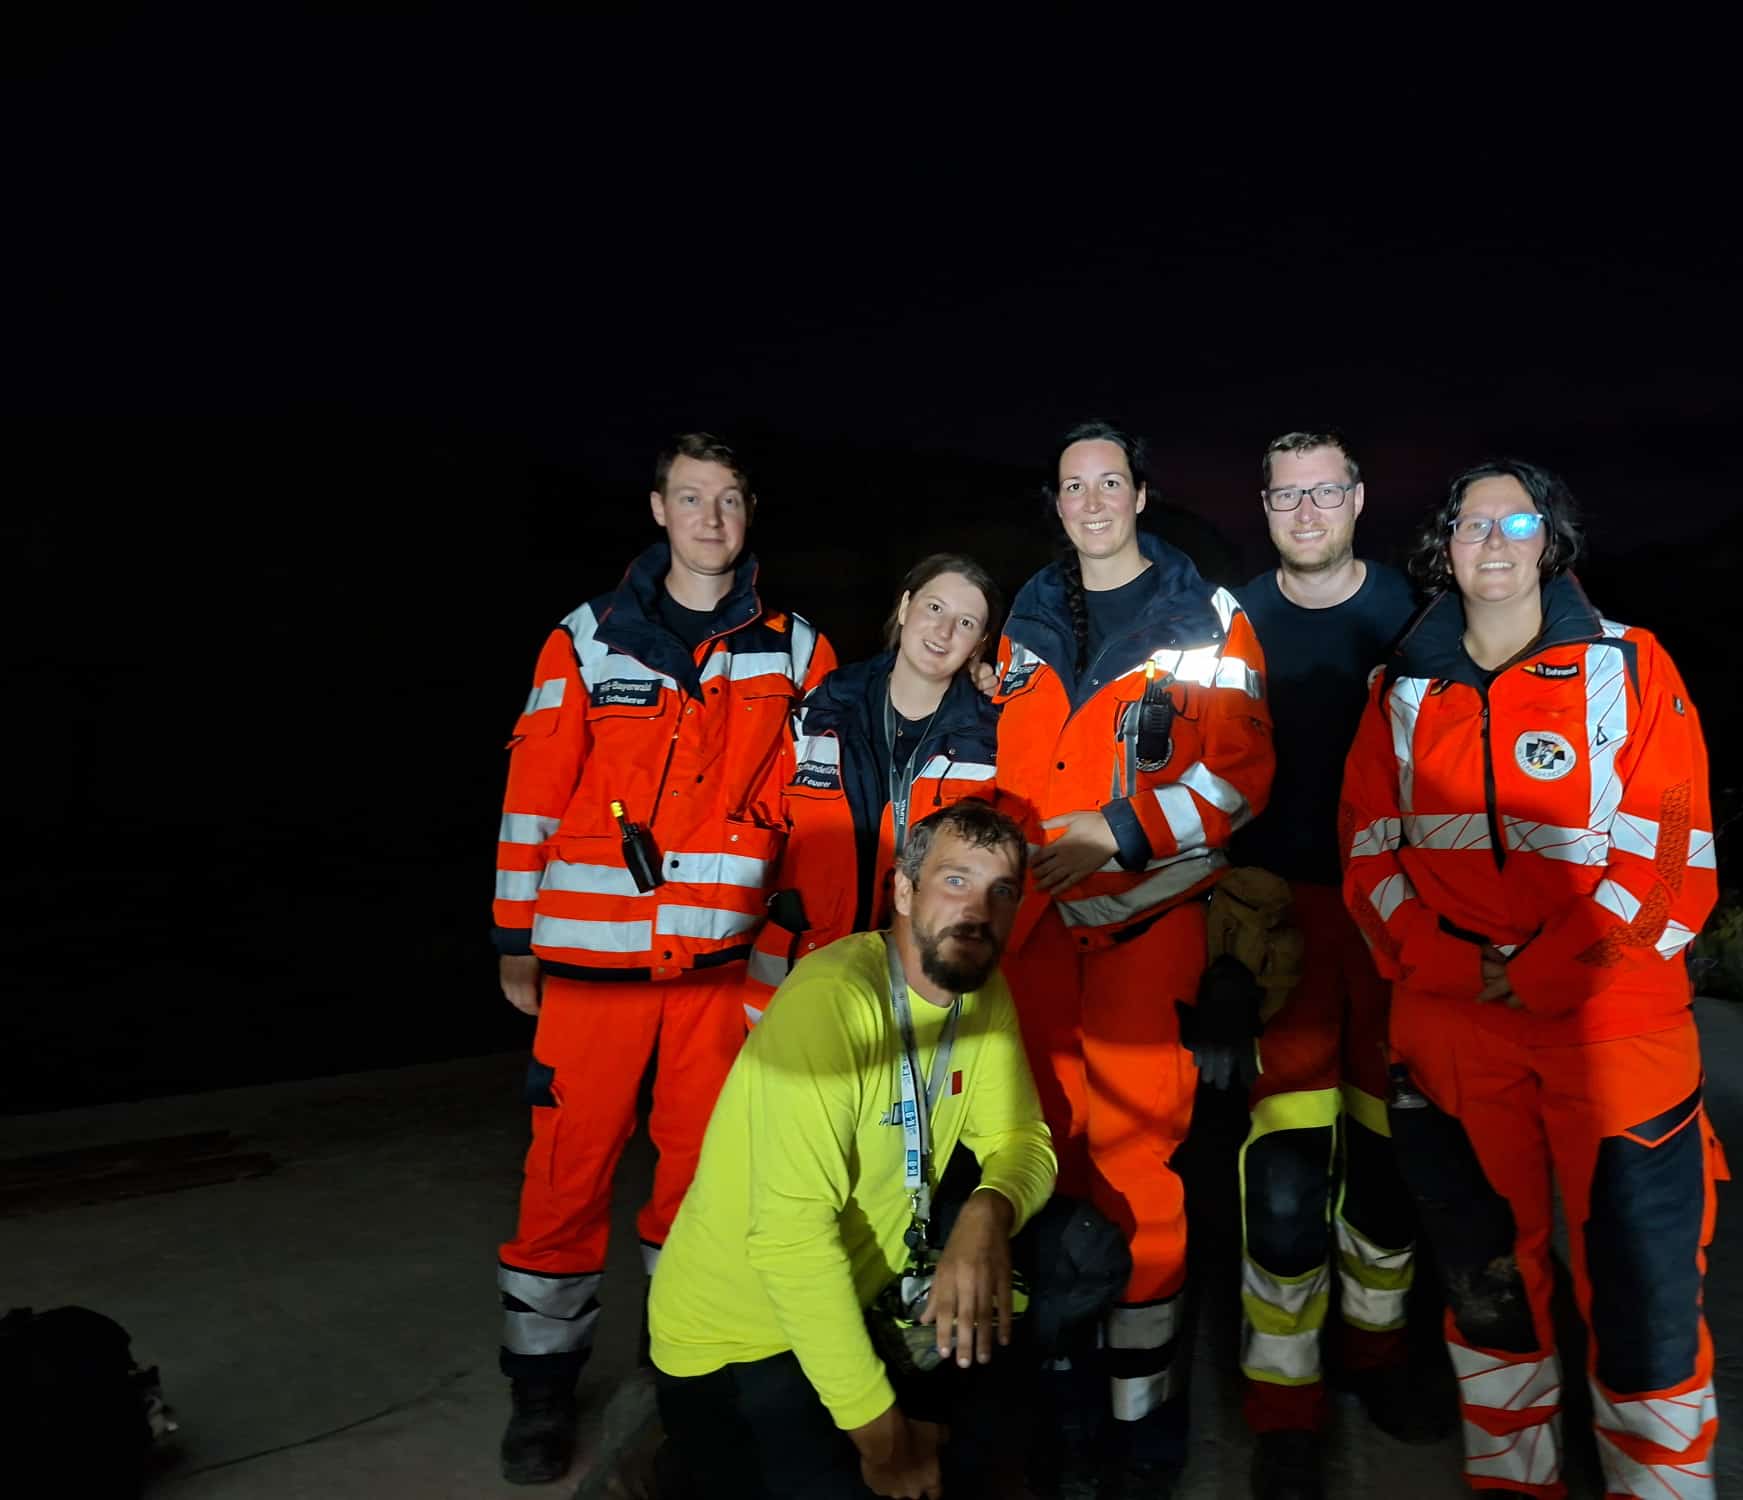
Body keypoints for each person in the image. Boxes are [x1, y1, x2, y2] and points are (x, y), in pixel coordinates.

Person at [1340, 459, 1725, 1499]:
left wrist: (1553, 969)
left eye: (1518, 522)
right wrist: (1453, 964)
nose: (1495, 542)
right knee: (1489, 1289)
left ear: (1551, 541)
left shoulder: (1631, 665)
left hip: (1616, 1026)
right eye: (1473, 524)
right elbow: (1368, 852)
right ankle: (1516, 1485)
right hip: (1452, 1026)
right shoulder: (1397, 688)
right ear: (1445, 547)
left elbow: (1672, 854)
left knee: (1644, 1297)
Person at [489, 432, 836, 1484]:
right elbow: (534, 794)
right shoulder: (586, 638)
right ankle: (541, 1390)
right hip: (589, 977)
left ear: (748, 511)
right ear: (657, 509)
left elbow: (815, 818)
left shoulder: (798, 651)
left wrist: (790, 953)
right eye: (691, 498)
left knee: (699, 1184)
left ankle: (677, 1357)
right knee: (564, 1181)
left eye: (727, 499)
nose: (710, 519)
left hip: (719, 975)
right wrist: (514, 937)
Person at [650, 800, 1121, 1500]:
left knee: (1082, 1249)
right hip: (744, 1336)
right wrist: (885, 1441)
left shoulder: (979, 988)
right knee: (870, 1476)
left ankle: (959, 1419)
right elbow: (790, 1243)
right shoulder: (833, 1003)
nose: (978, 911)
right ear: (903, 890)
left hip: (871, 1293)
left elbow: (1021, 1140)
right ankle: (699, 1462)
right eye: (955, 881)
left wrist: (989, 1211)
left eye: (1001, 891)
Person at [994, 419, 1275, 1494]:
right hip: (1028, 945)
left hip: (1145, 933)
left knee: (1136, 1179)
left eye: (1110, 481)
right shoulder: (1023, 622)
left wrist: (1117, 832)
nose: (1093, 501)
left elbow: (1240, 777)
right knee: (1031, 1163)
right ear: (1057, 505)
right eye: (1073, 486)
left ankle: (1141, 1428)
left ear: (1141, 495)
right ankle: (1060, 1403)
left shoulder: (1209, 620)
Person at [1220, 430, 1442, 1500]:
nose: (1305, 512)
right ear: (1263, 507)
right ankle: (1285, 1406)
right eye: (1285, 496)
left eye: (1324, 493)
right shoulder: (1230, 620)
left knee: (1390, 1171)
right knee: (1283, 1184)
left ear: (1357, 498)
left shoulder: (1415, 615)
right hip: (1278, 926)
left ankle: (1377, 1357)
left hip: (1396, 922)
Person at [747, 554, 1009, 1004]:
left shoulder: (992, 741)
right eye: (934, 608)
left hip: (922, 984)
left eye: (966, 623)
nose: (944, 631)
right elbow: (763, 824)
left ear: (979, 644)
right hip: (799, 973)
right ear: (905, 608)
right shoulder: (821, 710)